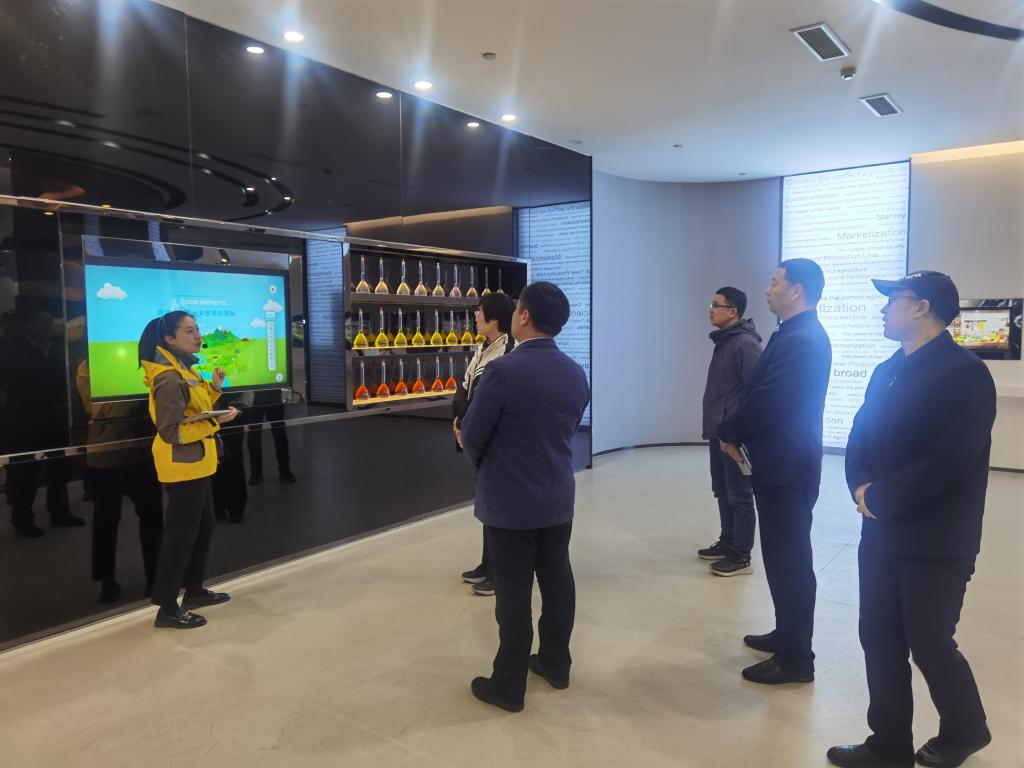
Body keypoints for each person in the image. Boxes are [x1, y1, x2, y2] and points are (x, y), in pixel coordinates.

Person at [828, 272, 995, 768]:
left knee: (929, 641)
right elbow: (859, 433)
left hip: (936, 539)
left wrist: (881, 497)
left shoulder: (965, 373)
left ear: (921, 307)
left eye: (892, 301)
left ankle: (966, 730)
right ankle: (888, 743)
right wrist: (860, 486)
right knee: (878, 637)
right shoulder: (887, 369)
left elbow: (949, 460)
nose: (883, 310)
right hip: (880, 530)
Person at [460, 281, 590, 713]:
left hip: (510, 502)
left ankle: (508, 684)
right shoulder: (575, 372)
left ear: (525, 316)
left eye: (518, 307)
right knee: (557, 582)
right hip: (557, 497)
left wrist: (484, 465)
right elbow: (567, 428)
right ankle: (555, 663)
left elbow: (473, 435)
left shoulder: (503, 372)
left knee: (513, 594)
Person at [717, 258, 831, 685]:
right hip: (779, 464)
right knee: (782, 558)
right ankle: (787, 634)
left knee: (791, 562)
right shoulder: (793, 334)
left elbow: (768, 400)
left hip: (788, 467)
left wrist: (727, 431)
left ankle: (797, 658)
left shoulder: (804, 340)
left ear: (797, 290)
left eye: (775, 282)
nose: (768, 289)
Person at [139, 311, 238, 629]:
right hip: (182, 465)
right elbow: (171, 431)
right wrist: (215, 422)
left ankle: (193, 591)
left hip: (196, 462)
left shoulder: (185, 369)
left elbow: (196, 408)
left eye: (198, 329)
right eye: (190, 330)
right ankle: (167, 607)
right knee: (180, 535)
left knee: (202, 527)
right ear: (170, 339)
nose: (198, 336)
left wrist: (216, 389)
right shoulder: (169, 377)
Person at [454, 292, 516, 597]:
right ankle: (486, 564)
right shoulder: (482, 348)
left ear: (494, 319)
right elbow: (464, 387)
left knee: (496, 507)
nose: (475, 317)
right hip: (473, 434)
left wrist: (469, 426)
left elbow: (488, 401)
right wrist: (458, 420)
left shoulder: (507, 352)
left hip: (493, 441)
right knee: (486, 503)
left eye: (479, 312)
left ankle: (496, 572)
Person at [698, 286, 762, 576]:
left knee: (739, 494)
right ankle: (727, 542)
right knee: (723, 491)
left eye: (716, 305)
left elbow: (754, 393)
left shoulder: (745, 344)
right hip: (719, 431)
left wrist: (736, 433)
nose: (711, 310)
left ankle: (741, 555)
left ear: (733, 311)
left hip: (734, 436)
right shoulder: (725, 341)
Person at [1, 309, 81, 537]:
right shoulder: (13, 352)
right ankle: (23, 521)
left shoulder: (56, 349)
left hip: (56, 420)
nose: (46, 326)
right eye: (40, 321)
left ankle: (60, 513)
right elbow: (15, 387)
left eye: (48, 321)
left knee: (59, 470)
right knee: (25, 474)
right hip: (25, 423)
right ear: (28, 325)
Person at [246, 388, 294, 484]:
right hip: (253, 396)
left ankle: (284, 471)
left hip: (272, 394)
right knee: (254, 436)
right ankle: (256, 474)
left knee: (280, 435)